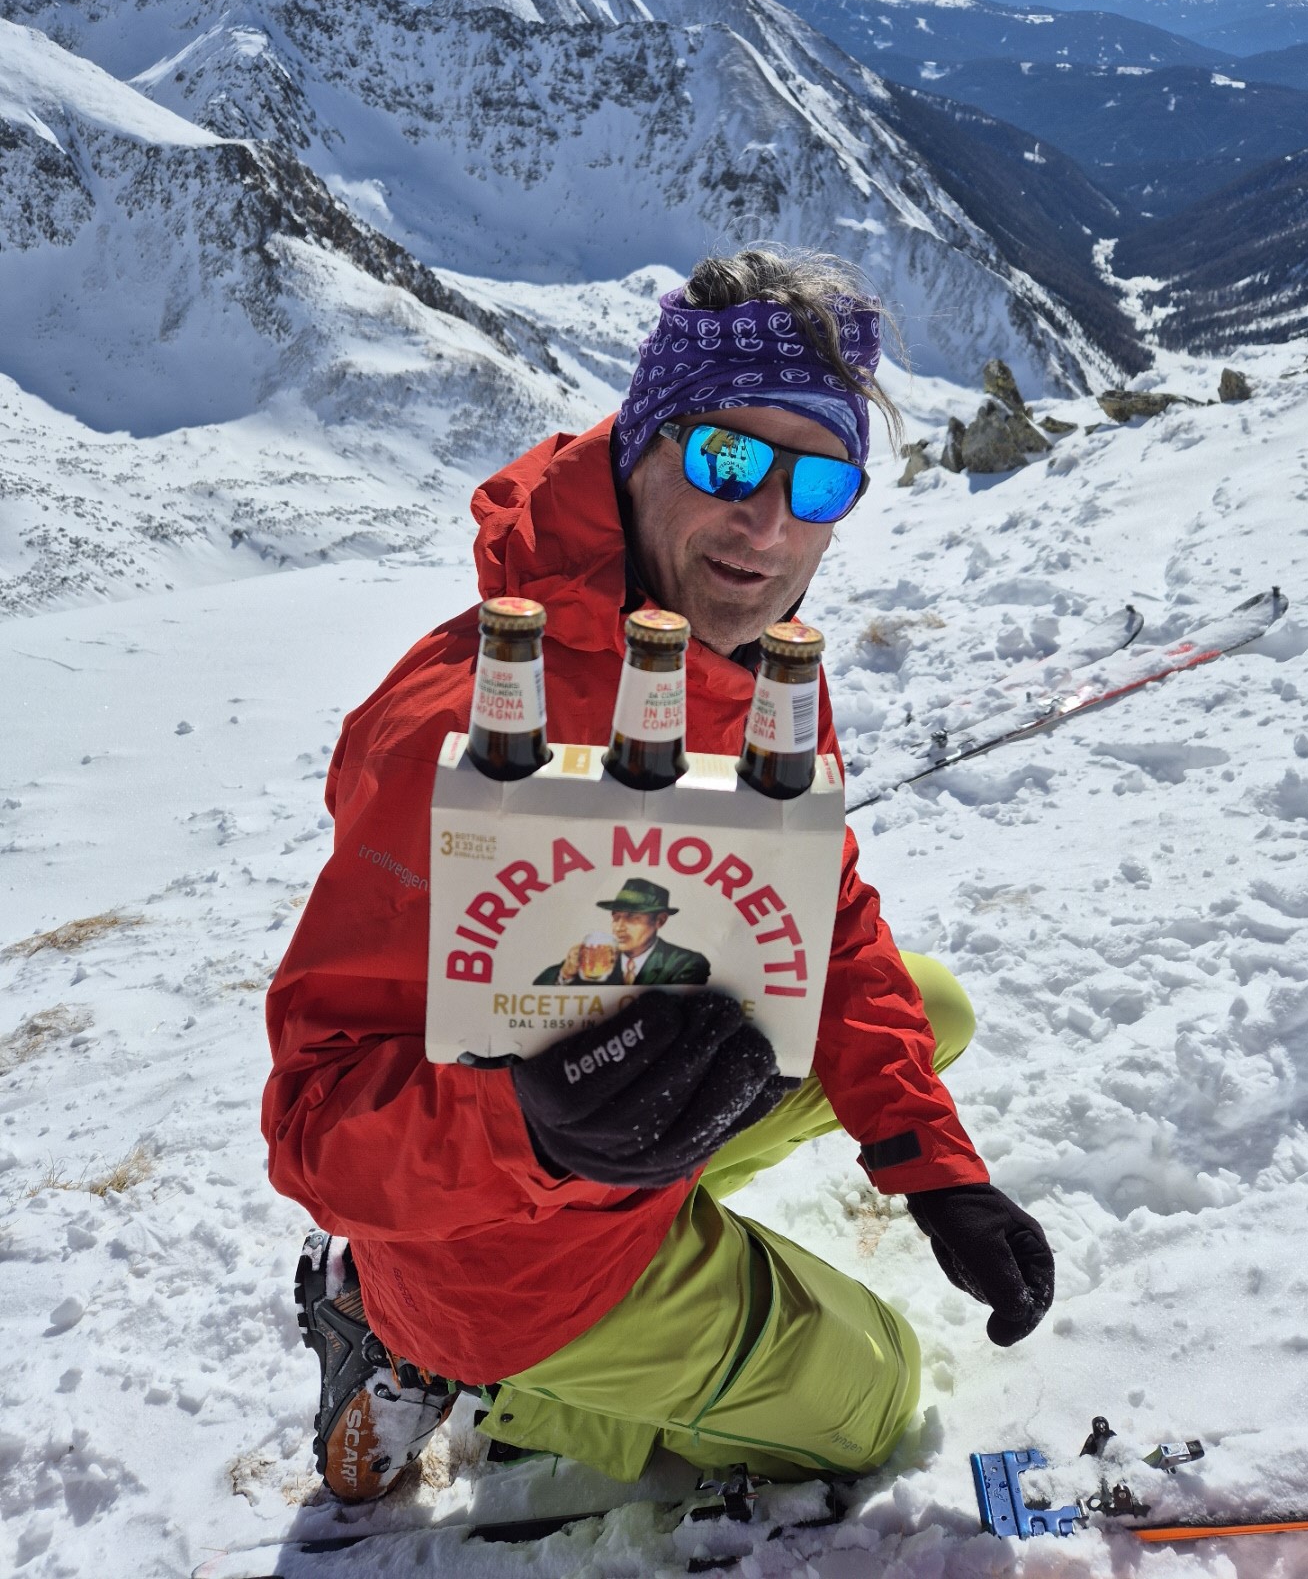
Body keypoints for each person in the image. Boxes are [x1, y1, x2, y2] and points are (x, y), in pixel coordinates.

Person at [262, 247, 1054, 1505]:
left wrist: (934, 1166)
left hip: (638, 1143)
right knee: (882, 1397)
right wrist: (530, 1128)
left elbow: (825, 916)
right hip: (503, 1258)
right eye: (729, 460)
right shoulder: (461, 728)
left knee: (929, 1005)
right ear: (644, 442)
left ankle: (647, 1222)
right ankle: (465, 1369)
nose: (769, 525)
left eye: (820, 482)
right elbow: (314, 1131)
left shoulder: (758, 663)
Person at [533, 878, 712, 985]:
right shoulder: (597, 958)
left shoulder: (685, 963)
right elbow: (538, 987)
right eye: (616, 917)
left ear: (660, 921)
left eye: (632, 918)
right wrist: (565, 974)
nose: (619, 927)